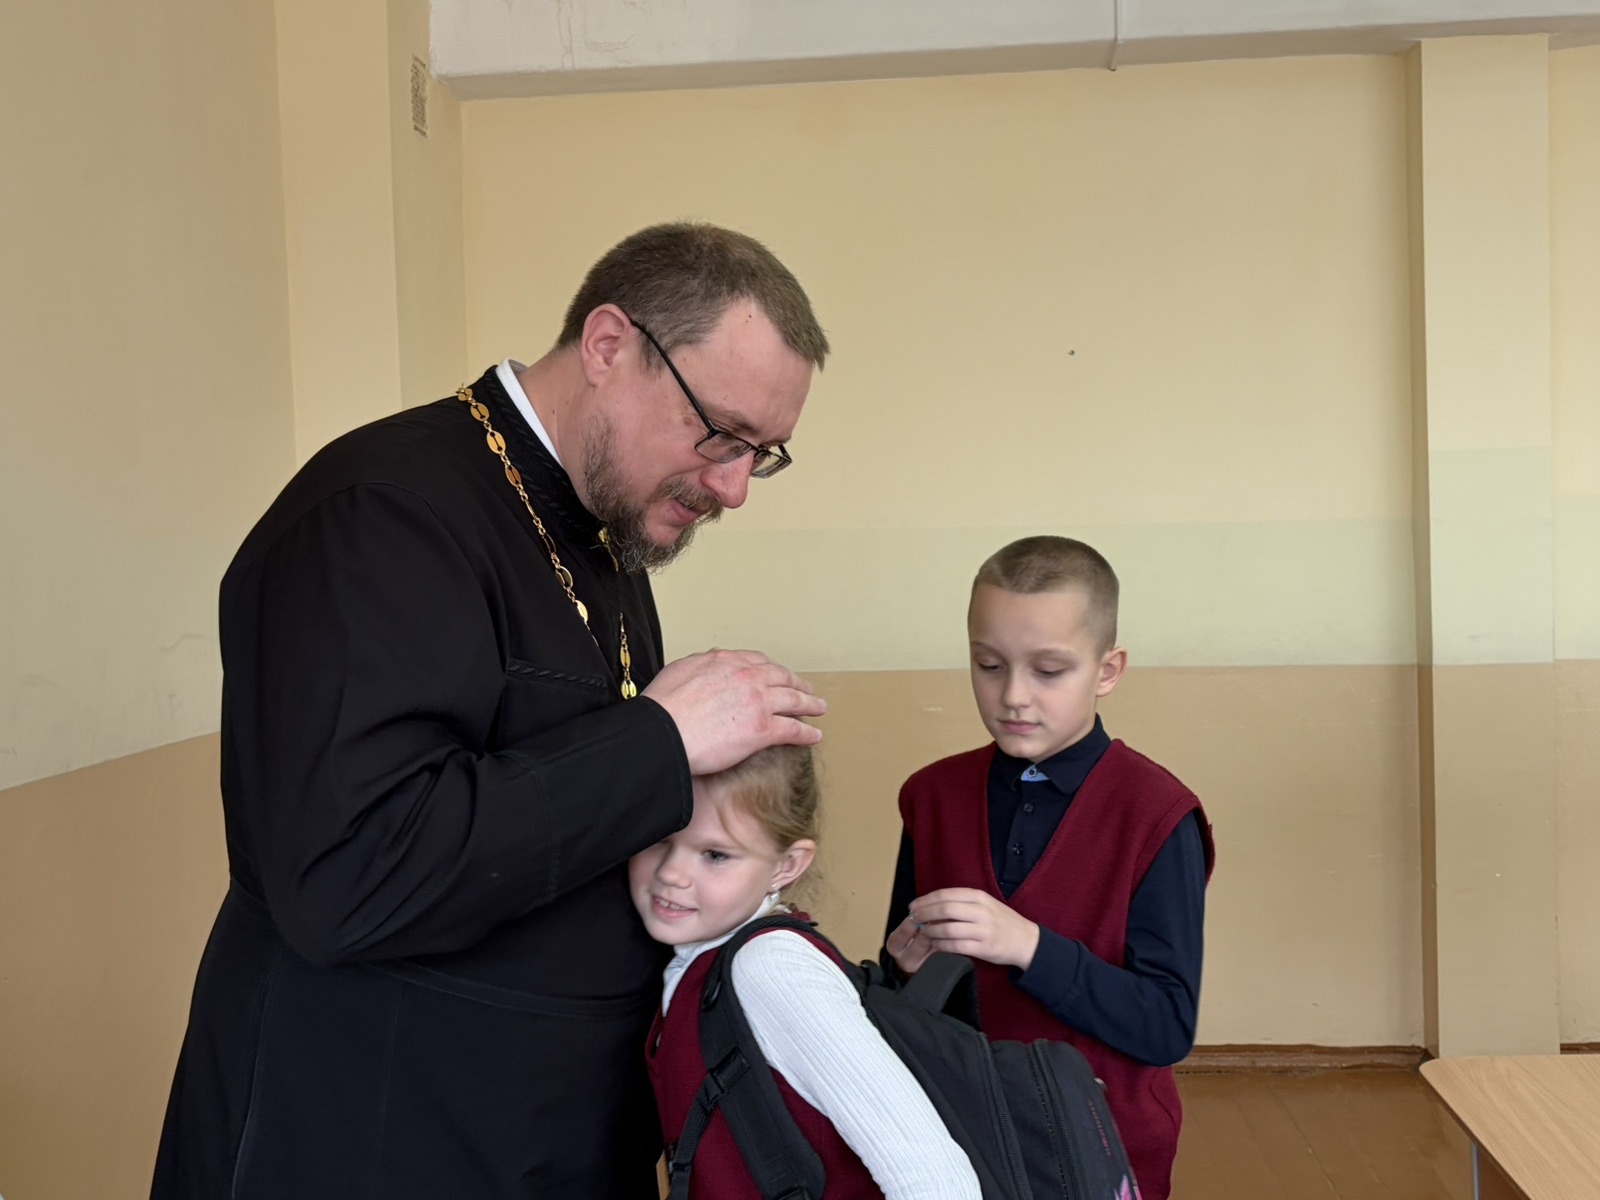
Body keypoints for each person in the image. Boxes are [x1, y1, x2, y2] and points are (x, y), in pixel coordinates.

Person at [151, 223, 831, 1200]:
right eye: (719, 434)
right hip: (375, 1136)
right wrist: (662, 740)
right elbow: (350, 875)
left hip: (530, 1135)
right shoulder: (381, 511)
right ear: (609, 346)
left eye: (760, 455)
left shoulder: (602, 527)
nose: (731, 487)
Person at [884, 536, 1215, 1200]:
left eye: (1049, 670)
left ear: (1107, 670)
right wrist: (906, 969)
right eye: (989, 664)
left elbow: (1165, 1025)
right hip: (959, 1135)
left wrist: (1029, 947)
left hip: (1102, 1144)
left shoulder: (1158, 814)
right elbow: (908, 993)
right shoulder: (931, 795)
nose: (1013, 696)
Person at [633, 745, 982, 1199]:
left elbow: (936, 1178)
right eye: (659, 837)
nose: (671, 873)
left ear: (787, 865)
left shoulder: (772, 969)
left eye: (715, 854)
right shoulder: (700, 959)